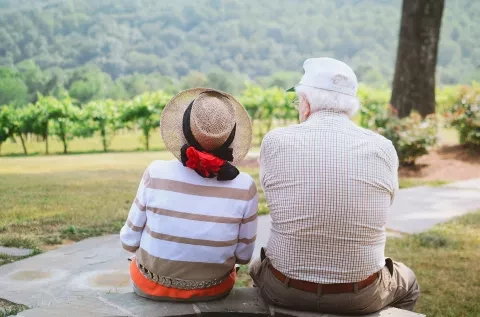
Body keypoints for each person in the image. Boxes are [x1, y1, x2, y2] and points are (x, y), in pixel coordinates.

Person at [249, 58, 419, 314]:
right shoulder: (383, 147)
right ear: (350, 106)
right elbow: (386, 203)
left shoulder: (275, 141)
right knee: (409, 282)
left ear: (306, 103)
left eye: (298, 100)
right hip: (361, 294)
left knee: (256, 267)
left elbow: (274, 195)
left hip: (284, 288)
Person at [120, 88, 258, 301]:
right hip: (215, 289)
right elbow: (244, 256)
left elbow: (128, 241)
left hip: (151, 285)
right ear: (230, 137)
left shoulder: (155, 172)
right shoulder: (244, 185)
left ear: (184, 130)